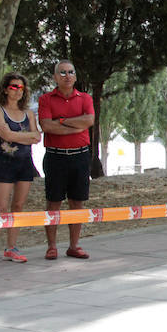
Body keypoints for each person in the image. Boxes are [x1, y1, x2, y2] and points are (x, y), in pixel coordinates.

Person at [0, 73, 42, 268]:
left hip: (24, 162)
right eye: (13, 87)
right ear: (5, 89)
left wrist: (19, 136)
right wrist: (25, 136)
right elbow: (4, 133)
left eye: (21, 88)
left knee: (18, 206)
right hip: (5, 162)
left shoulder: (28, 113)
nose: (17, 91)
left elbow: (37, 137)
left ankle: (11, 247)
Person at [37, 60, 95, 260]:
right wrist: (73, 125)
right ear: (55, 77)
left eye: (71, 72)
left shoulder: (85, 98)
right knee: (54, 202)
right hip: (55, 157)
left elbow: (89, 121)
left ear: (76, 76)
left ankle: (74, 246)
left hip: (80, 157)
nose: (67, 76)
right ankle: (51, 246)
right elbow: (47, 126)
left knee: (77, 202)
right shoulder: (45, 99)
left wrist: (60, 121)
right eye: (62, 73)